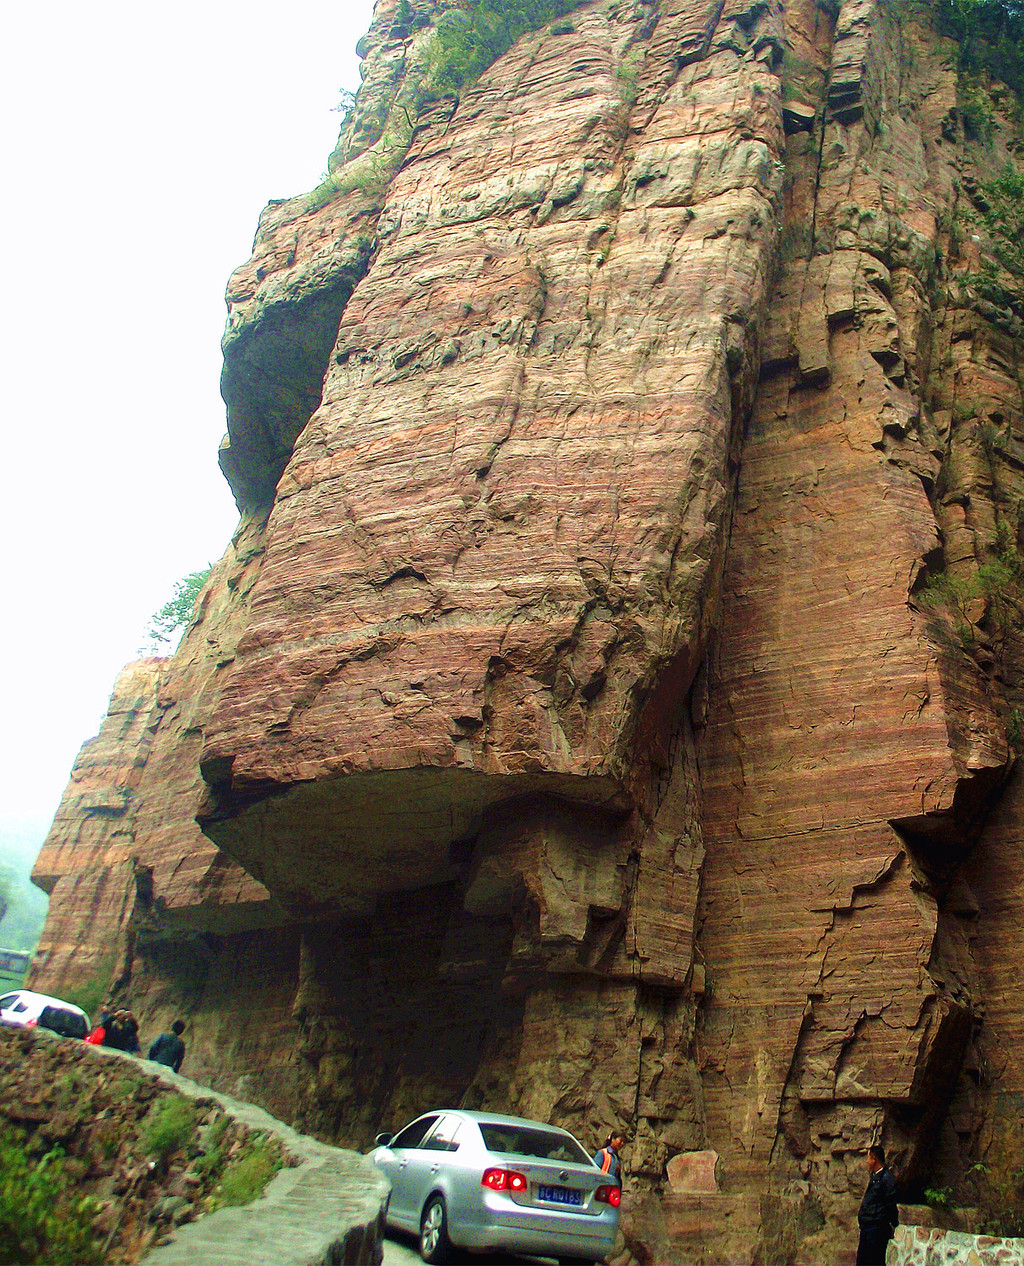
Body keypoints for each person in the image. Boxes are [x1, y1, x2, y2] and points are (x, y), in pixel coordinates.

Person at [857, 1143, 899, 1265]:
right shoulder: (875, 1177)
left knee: (874, 1261)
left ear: (874, 1159)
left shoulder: (887, 1179)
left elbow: (890, 1205)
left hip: (876, 1230)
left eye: (868, 1158)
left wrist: (894, 1224)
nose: (867, 1161)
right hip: (867, 1228)